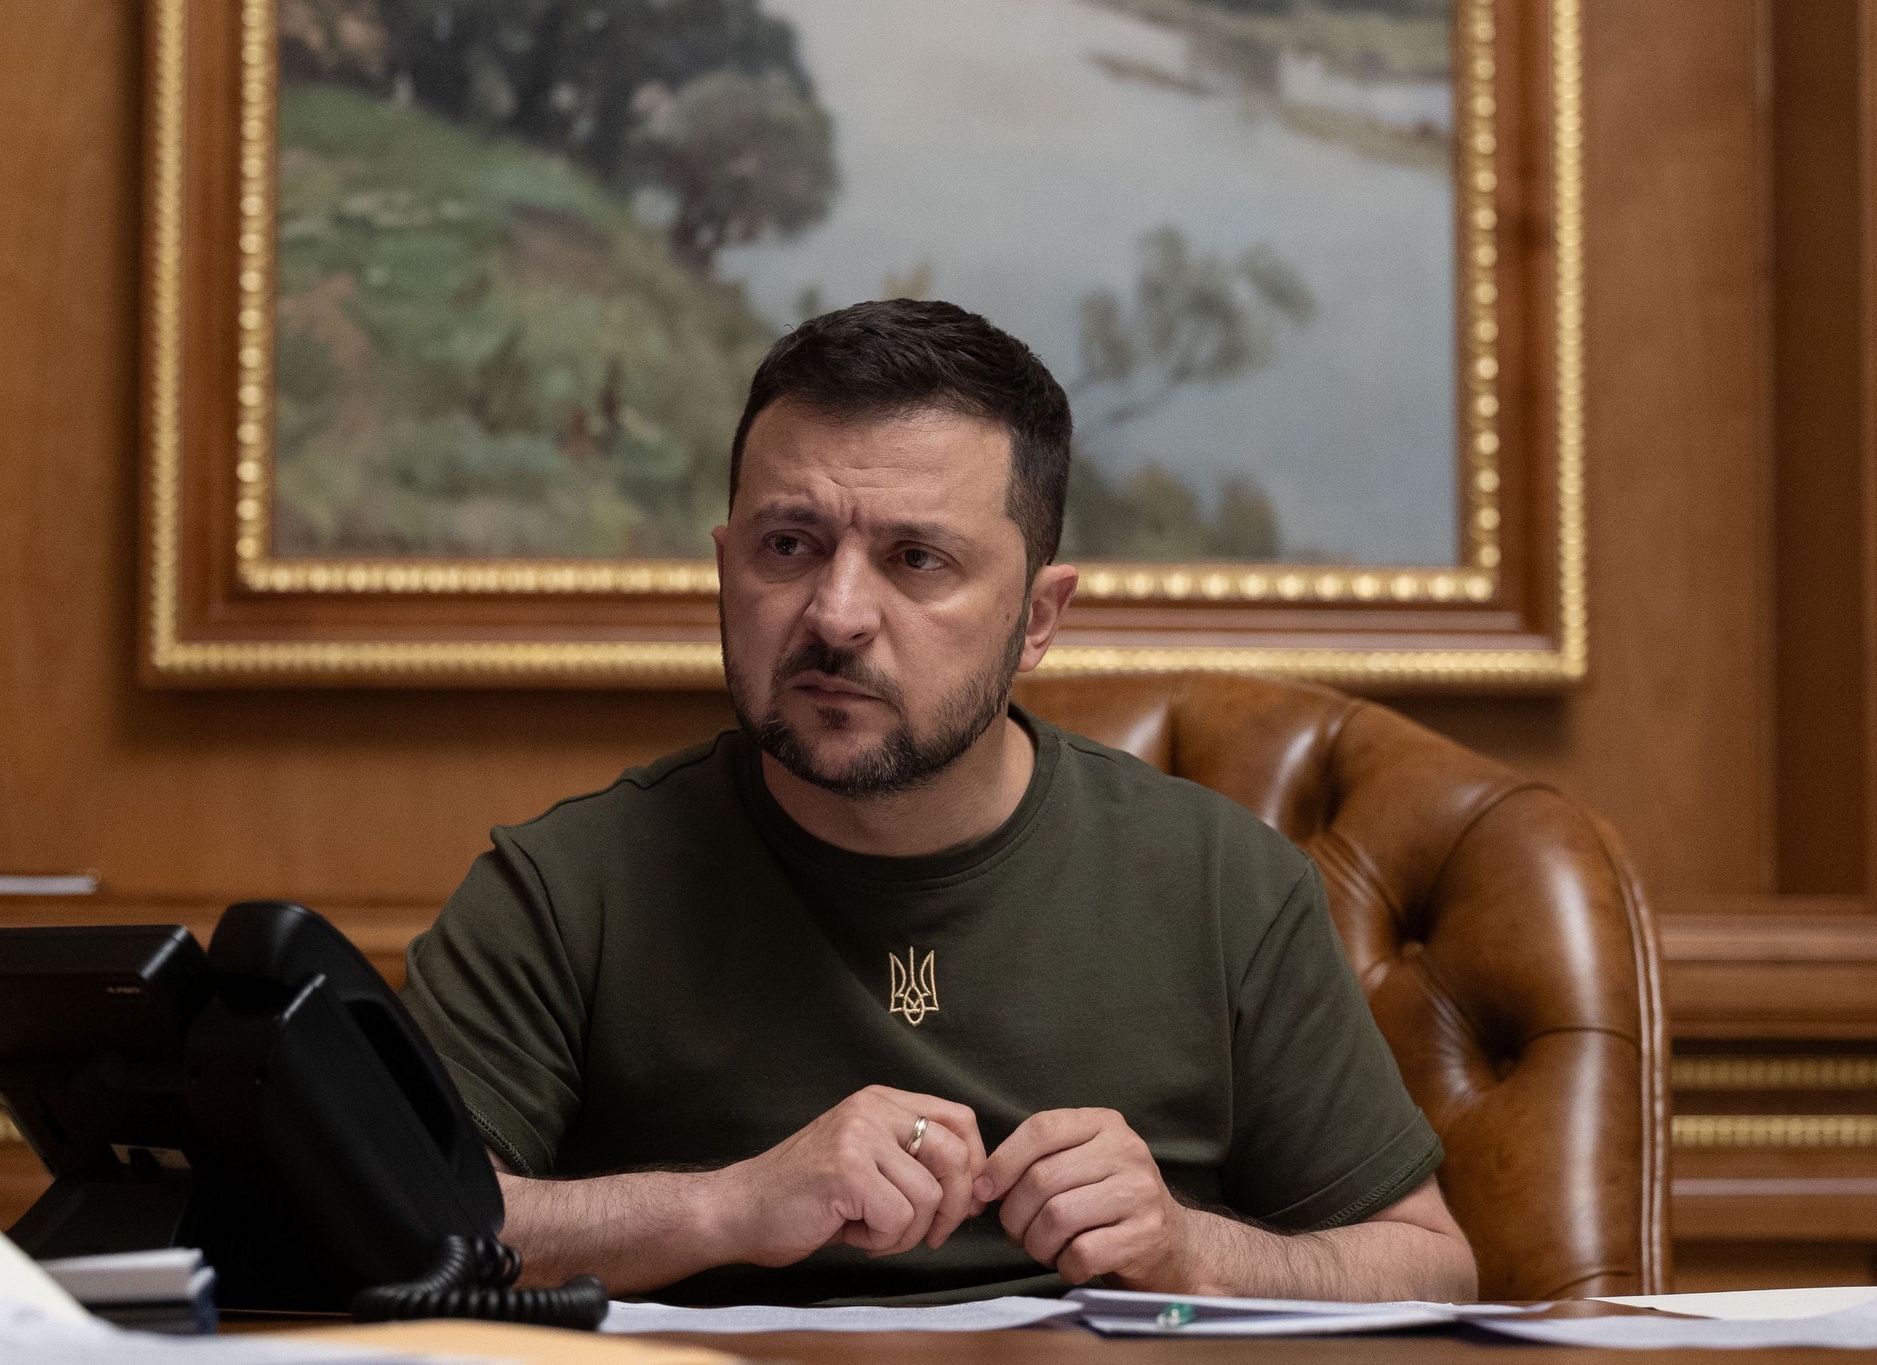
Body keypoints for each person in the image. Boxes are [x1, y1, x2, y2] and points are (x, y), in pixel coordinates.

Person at [399, 299, 1477, 1306]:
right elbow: (395, 1224)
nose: (835, 614)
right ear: (726, 567)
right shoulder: (566, 886)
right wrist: (722, 1208)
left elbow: (1430, 1265)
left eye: (916, 559)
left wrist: (1192, 1251)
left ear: (1038, 617)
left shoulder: (1222, 885)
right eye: (788, 546)